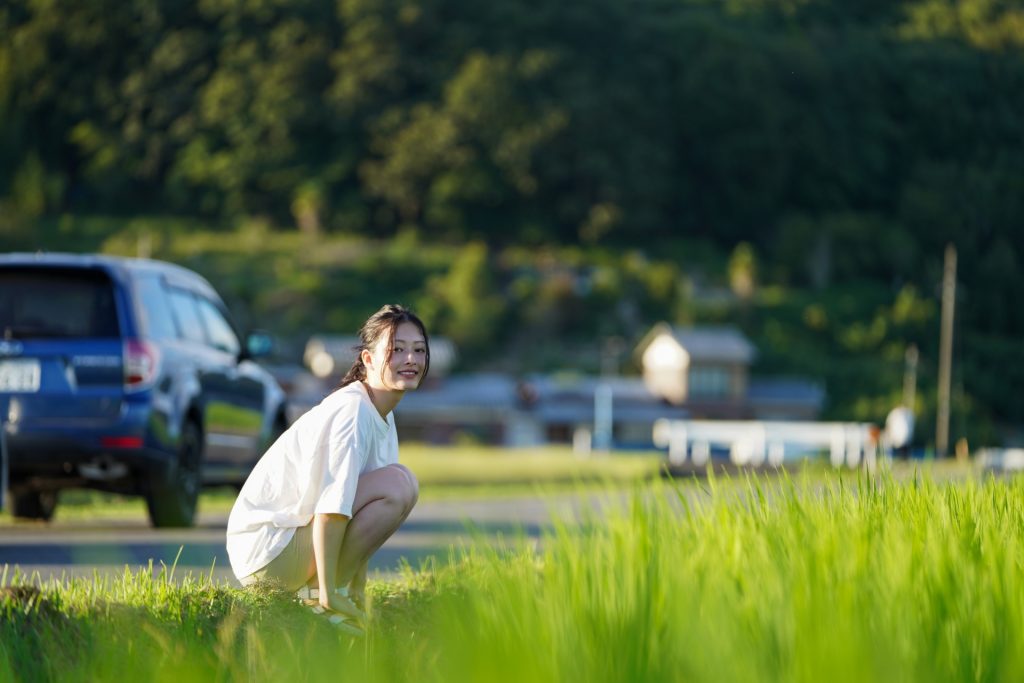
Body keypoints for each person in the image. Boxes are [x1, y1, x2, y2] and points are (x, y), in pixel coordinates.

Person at [226, 304, 427, 632]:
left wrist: (356, 587)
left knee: (402, 481)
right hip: (267, 550)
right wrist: (328, 593)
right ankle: (318, 595)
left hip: (287, 544)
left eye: (419, 350)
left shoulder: (382, 416)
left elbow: (361, 516)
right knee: (399, 484)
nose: (410, 360)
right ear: (368, 360)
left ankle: (328, 589)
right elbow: (331, 510)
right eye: (396, 350)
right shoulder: (352, 413)